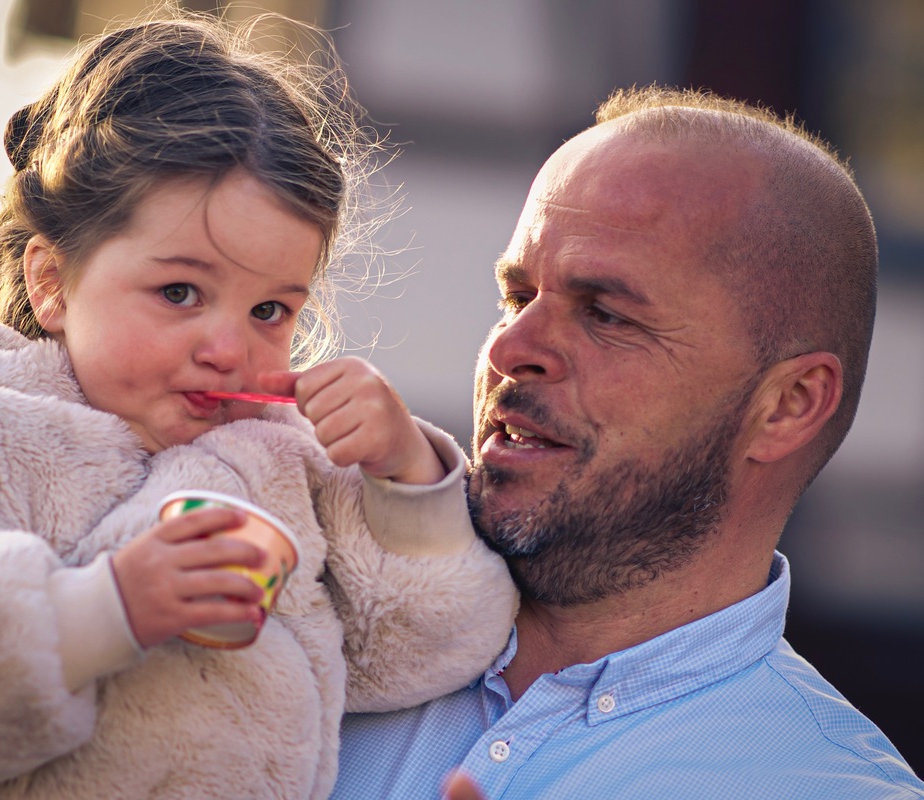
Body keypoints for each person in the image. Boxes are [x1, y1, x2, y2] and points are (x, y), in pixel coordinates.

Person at [0, 11, 517, 800]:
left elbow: (424, 649)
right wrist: (101, 609)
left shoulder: (282, 453)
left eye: (270, 312)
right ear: (52, 282)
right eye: (179, 292)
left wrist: (405, 479)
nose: (229, 346)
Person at [332, 86, 924, 799]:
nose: (511, 348)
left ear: (786, 407)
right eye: (517, 298)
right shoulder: (290, 609)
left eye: (606, 315)